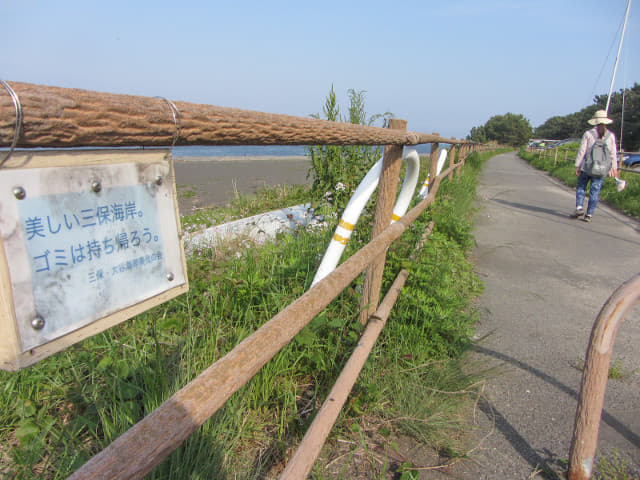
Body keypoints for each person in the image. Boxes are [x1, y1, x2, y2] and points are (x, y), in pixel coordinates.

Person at [570, 110, 618, 222]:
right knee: (595, 191)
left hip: (587, 166)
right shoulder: (611, 136)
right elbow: (613, 154)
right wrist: (614, 168)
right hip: (601, 169)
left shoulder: (588, 134)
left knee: (581, 187)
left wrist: (578, 165)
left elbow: (582, 151)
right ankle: (589, 215)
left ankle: (579, 207)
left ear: (594, 121)